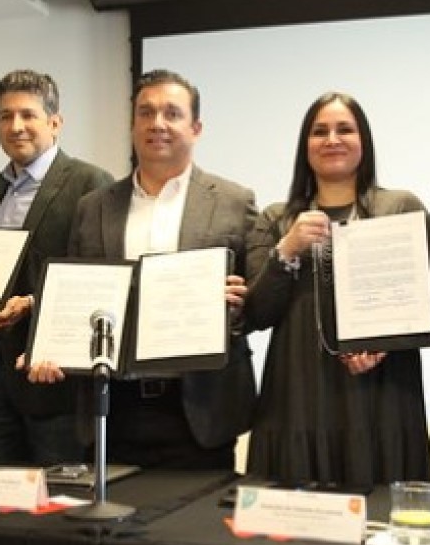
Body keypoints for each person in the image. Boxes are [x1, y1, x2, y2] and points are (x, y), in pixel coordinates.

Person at [28, 69, 259, 470]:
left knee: (197, 513)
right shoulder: (94, 207)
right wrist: (51, 348)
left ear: (196, 128)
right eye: (146, 113)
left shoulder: (234, 202)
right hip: (111, 408)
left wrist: (236, 304)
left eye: (172, 113)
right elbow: (75, 294)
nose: (157, 123)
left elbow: (258, 304)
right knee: (109, 512)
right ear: (133, 124)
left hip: (200, 412)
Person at [244, 92, 430, 486]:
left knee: (384, 510)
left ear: (364, 140)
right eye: (319, 132)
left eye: (345, 129)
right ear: (305, 146)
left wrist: (383, 345)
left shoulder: (400, 207)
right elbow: (256, 314)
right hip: (296, 393)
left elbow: (428, 303)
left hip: (382, 394)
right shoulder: (276, 218)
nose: (332, 139)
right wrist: (287, 249)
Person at [0, 70, 113, 465]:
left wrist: (31, 303)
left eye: (27, 115)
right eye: (5, 116)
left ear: (55, 122)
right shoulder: (5, 187)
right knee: (3, 489)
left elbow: (99, 275)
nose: (15, 126)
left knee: (56, 492)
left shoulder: (90, 182)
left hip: (56, 379)